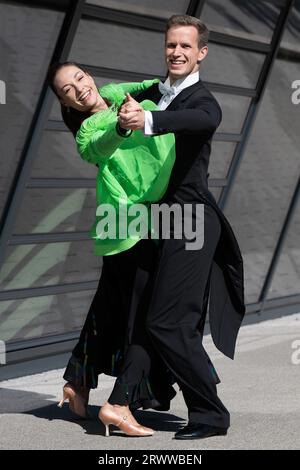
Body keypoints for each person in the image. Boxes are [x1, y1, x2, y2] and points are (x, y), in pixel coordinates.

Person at [116, 14, 246, 440]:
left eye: (186, 47)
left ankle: (211, 414)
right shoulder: (157, 91)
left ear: (201, 53)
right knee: (148, 318)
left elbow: (206, 119)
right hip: (157, 221)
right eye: (172, 45)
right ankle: (138, 397)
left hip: (192, 222)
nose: (177, 52)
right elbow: (115, 95)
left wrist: (148, 122)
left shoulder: (200, 99)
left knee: (170, 322)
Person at [47, 62, 178, 437]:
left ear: (88, 76)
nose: (78, 88)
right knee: (145, 316)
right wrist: (121, 126)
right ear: (65, 102)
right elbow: (102, 146)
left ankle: (77, 381)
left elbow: (155, 85)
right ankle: (119, 404)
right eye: (67, 89)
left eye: (79, 78)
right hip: (127, 226)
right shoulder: (87, 131)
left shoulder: (118, 92)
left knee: (109, 309)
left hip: (139, 223)